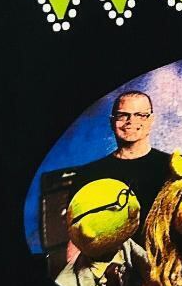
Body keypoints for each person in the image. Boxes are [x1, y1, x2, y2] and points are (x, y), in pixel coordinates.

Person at [40, 90, 172, 232]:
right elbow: (77, 233)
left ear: (151, 120)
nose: (131, 121)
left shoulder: (172, 167)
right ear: (112, 122)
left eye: (140, 115)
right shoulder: (88, 174)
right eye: (122, 115)